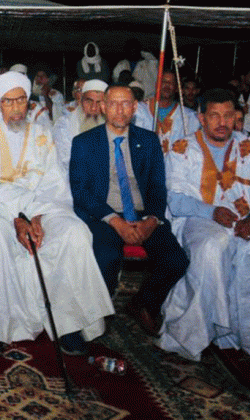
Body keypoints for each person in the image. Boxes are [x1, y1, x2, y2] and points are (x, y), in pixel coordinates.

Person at [0, 71, 113, 356]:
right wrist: (18, 217)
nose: (16, 108)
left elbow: (55, 183)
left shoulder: (42, 135)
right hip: (0, 211)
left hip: (44, 208)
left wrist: (37, 216)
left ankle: (69, 324)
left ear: (28, 102)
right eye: (8, 101)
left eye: (21, 100)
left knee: (74, 232)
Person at [160, 88, 250, 362]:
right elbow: (175, 199)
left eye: (228, 115)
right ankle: (199, 333)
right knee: (214, 246)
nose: (222, 122)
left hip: (249, 219)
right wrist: (210, 212)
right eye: (214, 116)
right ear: (201, 118)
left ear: (237, 116)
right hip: (200, 219)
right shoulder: (182, 149)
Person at [69, 84, 189, 337]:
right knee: (106, 257)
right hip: (104, 215)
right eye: (113, 103)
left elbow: (157, 186)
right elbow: (81, 191)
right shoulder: (84, 142)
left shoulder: (149, 140)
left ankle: (144, 303)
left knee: (176, 260)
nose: (119, 110)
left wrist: (152, 220)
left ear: (135, 107)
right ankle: (99, 312)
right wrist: (115, 221)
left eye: (126, 104)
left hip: (142, 213)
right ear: (103, 107)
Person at [134, 70, 200, 154]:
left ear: (177, 88)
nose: (167, 85)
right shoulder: (139, 109)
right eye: (164, 81)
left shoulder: (189, 116)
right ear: (157, 85)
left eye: (171, 82)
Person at [53, 79, 106, 171]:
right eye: (89, 101)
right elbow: (66, 161)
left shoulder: (112, 125)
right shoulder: (63, 125)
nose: (93, 108)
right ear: (81, 101)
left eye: (99, 103)